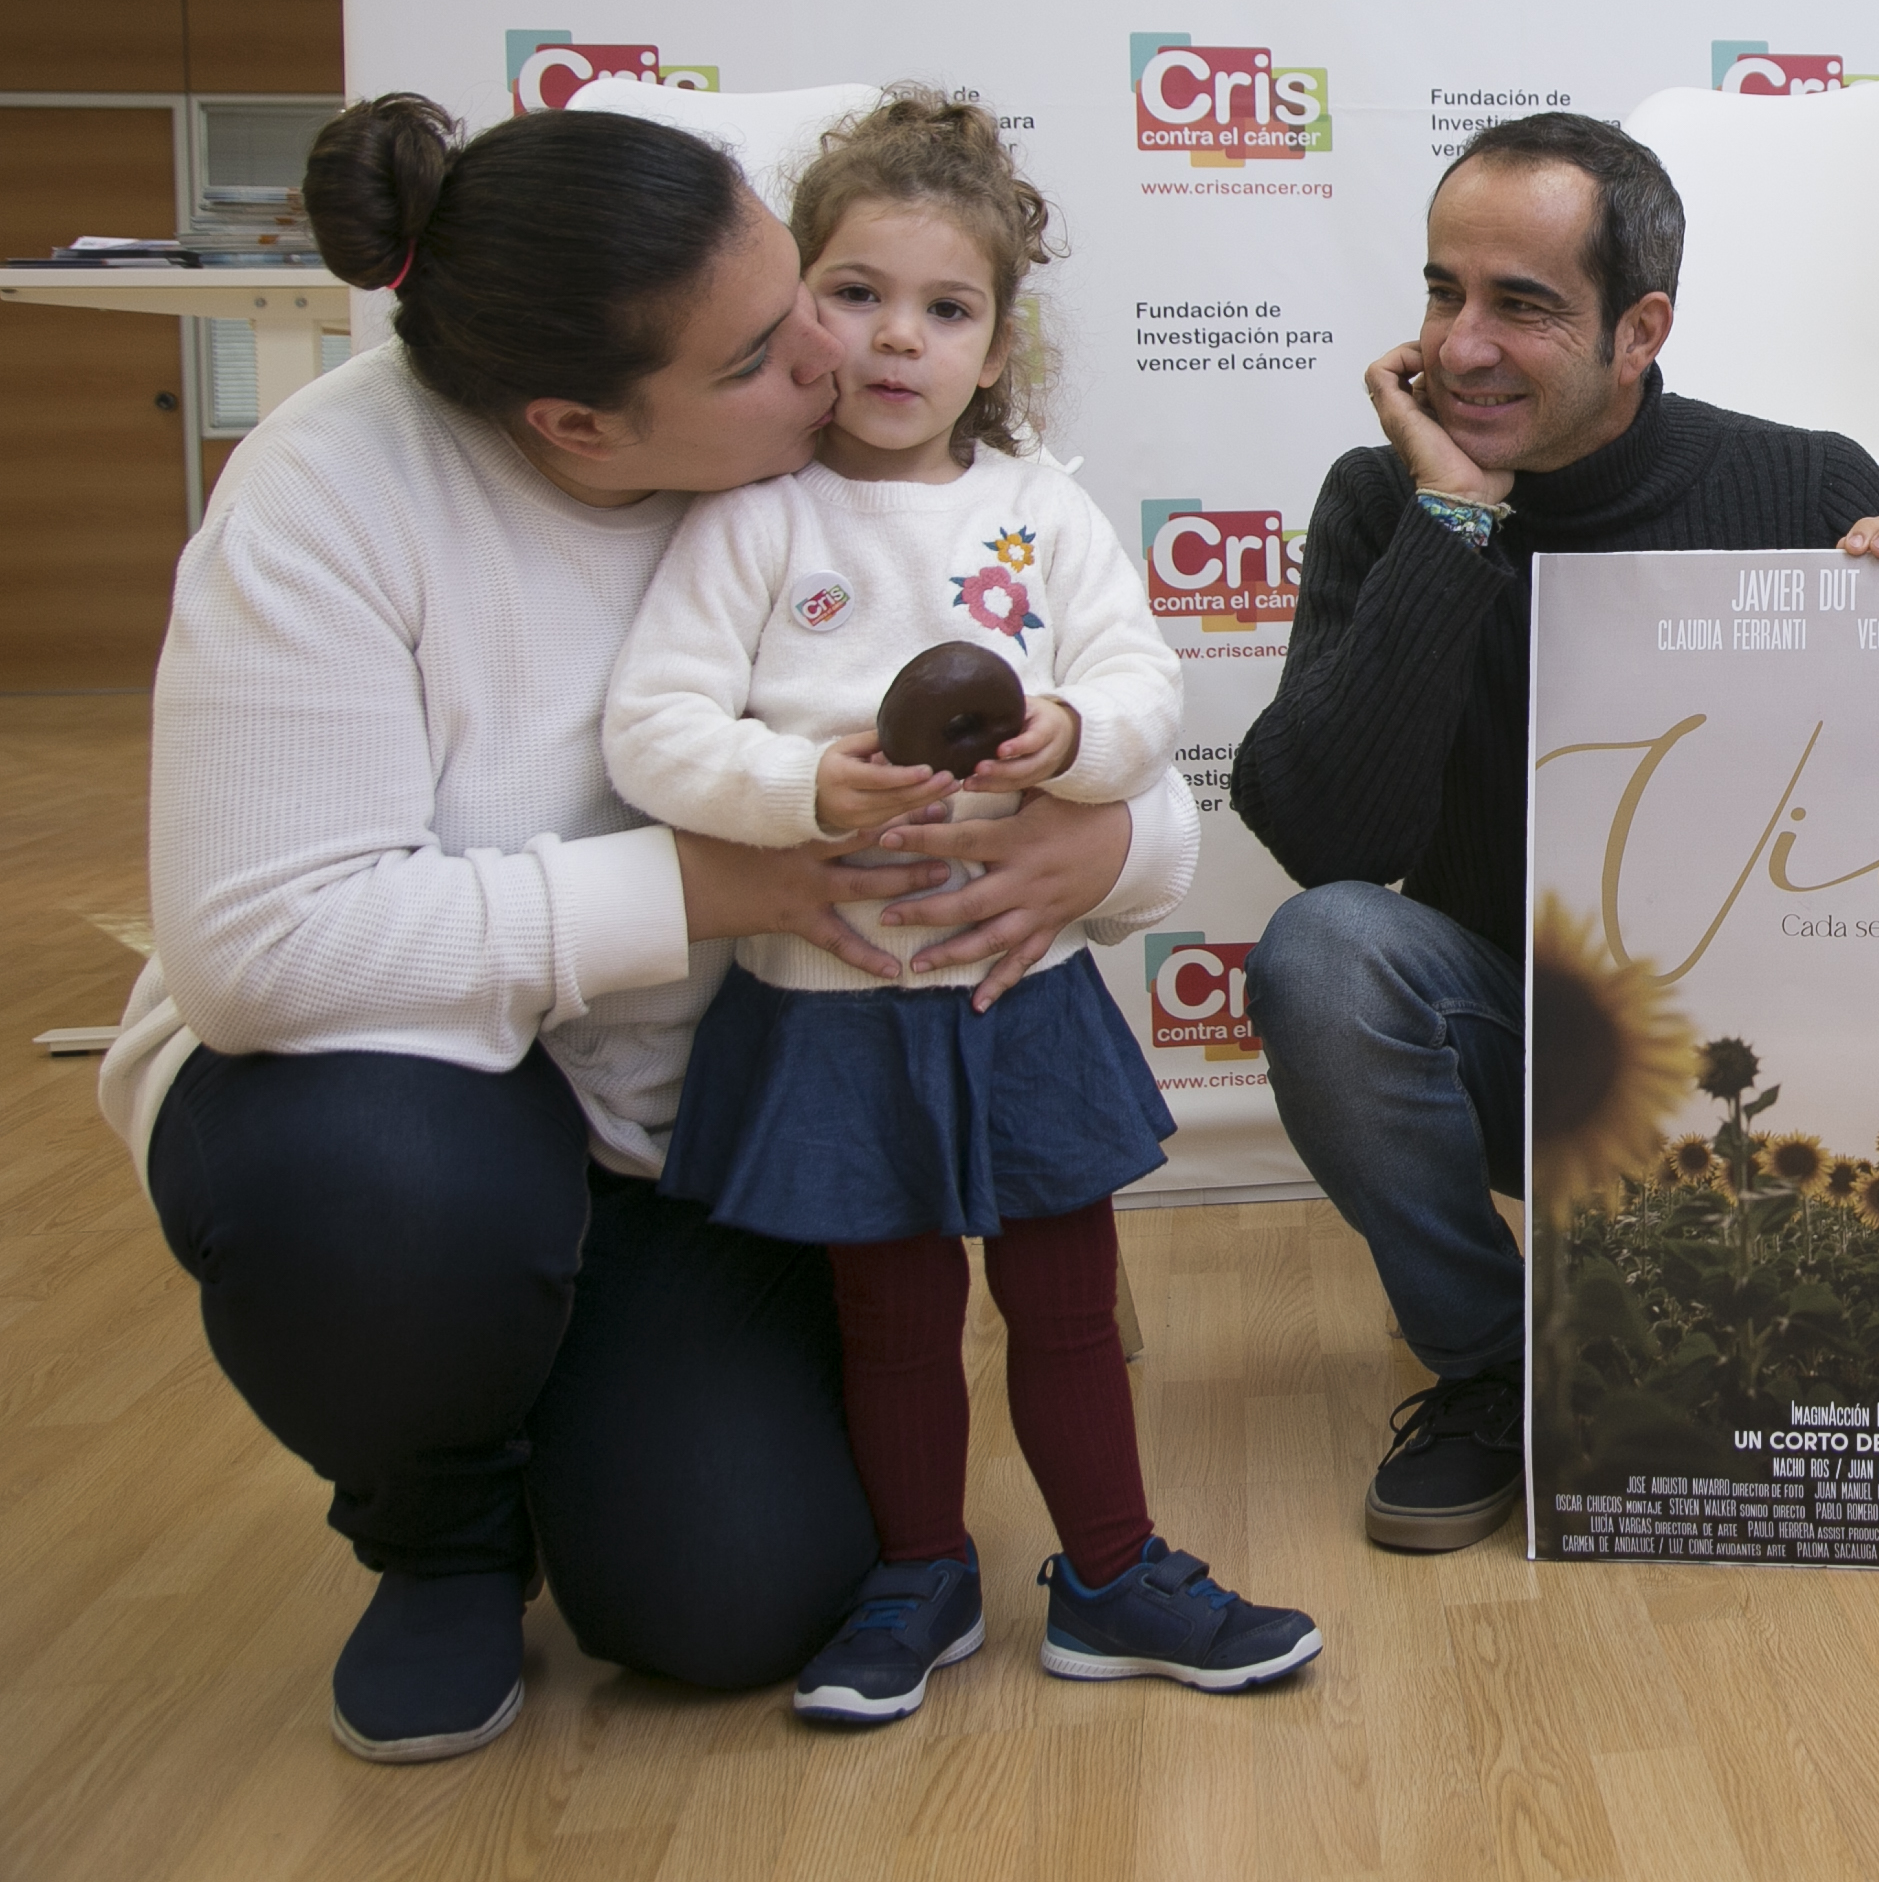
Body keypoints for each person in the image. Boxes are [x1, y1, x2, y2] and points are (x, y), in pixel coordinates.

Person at [102, 93, 1198, 1763]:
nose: (841, 364)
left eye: (818, 297)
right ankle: (442, 1521)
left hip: (718, 1104)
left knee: (730, 1608)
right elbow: (257, 947)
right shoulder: (334, 493)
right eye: (777, 345)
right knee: (371, 1187)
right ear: (584, 427)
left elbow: (1083, 702)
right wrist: (706, 886)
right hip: (416, 1090)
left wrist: (1112, 830)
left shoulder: (885, 435)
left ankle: (607, 1417)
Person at [603, 93, 1315, 1726]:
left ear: (997, 346)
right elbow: (655, 732)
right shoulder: (750, 521)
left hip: (1021, 994)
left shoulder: (1041, 515)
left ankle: (1115, 1575)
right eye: (854, 294)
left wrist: (1074, 740)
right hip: (830, 1001)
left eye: (945, 308)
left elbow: (1141, 681)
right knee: (894, 1319)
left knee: (1066, 1304)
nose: (895, 339)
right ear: (794, 305)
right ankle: (917, 1575)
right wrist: (802, 793)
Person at [1233, 110, 1879, 1551]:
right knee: (1325, 953)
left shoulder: (1807, 486)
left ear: (1641, 330)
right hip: (1533, 1044)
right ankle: (1497, 1369)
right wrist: (1453, 525)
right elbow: (1322, 833)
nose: (1461, 345)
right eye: (1444, 291)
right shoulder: (1387, 499)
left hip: (1778, 1067)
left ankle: (1739, 1290)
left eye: (1523, 305)